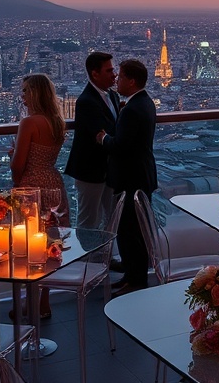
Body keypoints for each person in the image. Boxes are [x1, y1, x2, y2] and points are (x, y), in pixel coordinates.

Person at [97, 59, 157, 296]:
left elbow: (121, 145)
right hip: (140, 174)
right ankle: (132, 275)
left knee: (130, 231)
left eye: (120, 77)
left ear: (131, 81)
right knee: (132, 230)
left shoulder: (132, 109)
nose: (116, 81)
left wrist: (103, 138)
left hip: (131, 177)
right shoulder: (145, 102)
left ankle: (136, 280)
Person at [11, 73, 68, 317]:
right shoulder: (56, 121)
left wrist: (17, 178)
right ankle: (43, 300)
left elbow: (18, 164)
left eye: (25, 91)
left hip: (31, 186)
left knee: (27, 245)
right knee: (49, 243)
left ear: (34, 93)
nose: (22, 95)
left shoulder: (29, 123)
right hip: (53, 182)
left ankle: (29, 301)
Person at [64, 52, 119, 229]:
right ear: (95, 74)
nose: (114, 74)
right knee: (89, 221)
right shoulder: (86, 101)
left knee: (112, 218)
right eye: (109, 70)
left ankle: (107, 255)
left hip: (108, 170)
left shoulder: (112, 96)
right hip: (90, 170)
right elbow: (101, 134)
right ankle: (88, 256)